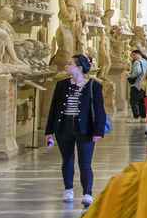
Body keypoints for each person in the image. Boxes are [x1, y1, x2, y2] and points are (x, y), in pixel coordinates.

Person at [44, 54, 106, 206]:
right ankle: (68, 189)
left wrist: (98, 131)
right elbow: (53, 109)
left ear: (79, 67)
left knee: (85, 163)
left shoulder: (94, 85)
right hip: (64, 127)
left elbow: (99, 110)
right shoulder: (61, 85)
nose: (67, 66)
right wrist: (49, 131)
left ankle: (87, 193)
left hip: (85, 129)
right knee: (67, 160)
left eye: (70, 64)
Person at [128, 48, 147, 120]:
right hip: (144, 84)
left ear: (138, 54)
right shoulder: (146, 62)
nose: (133, 57)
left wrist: (129, 75)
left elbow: (137, 72)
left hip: (136, 84)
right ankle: (143, 117)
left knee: (133, 101)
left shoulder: (137, 62)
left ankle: (136, 117)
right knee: (142, 101)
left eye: (133, 55)